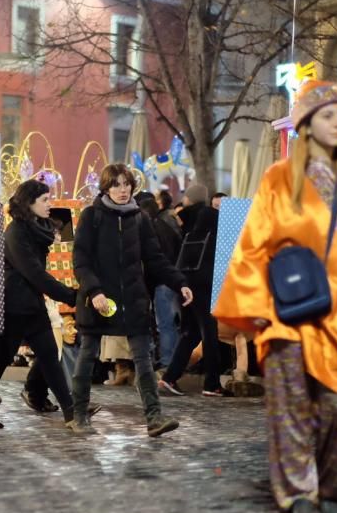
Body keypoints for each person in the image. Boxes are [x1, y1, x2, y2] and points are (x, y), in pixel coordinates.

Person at [214, 80, 337, 513]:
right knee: (291, 410)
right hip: (290, 314)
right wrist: (254, 306)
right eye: (329, 115)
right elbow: (254, 244)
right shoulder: (280, 177)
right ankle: (299, 494)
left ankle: (334, 489)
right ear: (306, 124)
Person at [68, 164, 192, 436]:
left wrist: (180, 282)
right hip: (99, 301)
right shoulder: (92, 216)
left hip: (134, 301)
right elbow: (80, 260)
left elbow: (155, 259)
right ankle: (78, 415)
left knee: (144, 360)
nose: (122, 190)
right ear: (106, 188)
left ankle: (154, 418)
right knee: (87, 357)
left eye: (126, 184)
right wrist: (95, 291)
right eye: (116, 185)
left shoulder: (140, 218)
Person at [0, 178, 78, 429]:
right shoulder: (16, 232)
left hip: (31, 304)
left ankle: (72, 413)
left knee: (49, 356)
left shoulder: (37, 228)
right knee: (0, 360)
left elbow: (51, 252)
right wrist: (69, 295)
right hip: (14, 306)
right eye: (44, 200)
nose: (50, 204)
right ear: (29, 203)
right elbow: (34, 273)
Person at [158, 184, 230, 397]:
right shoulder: (211, 216)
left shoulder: (185, 220)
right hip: (203, 282)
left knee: (190, 333)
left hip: (184, 280)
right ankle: (212, 384)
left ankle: (169, 378)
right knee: (209, 332)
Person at [152, 189, 183, 368]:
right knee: (175, 323)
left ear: (160, 203)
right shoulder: (174, 221)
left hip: (165, 278)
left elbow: (160, 254)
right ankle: (177, 363)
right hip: (177, 277)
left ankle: (168, 363)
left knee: (166, 324)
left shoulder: (159, 223)